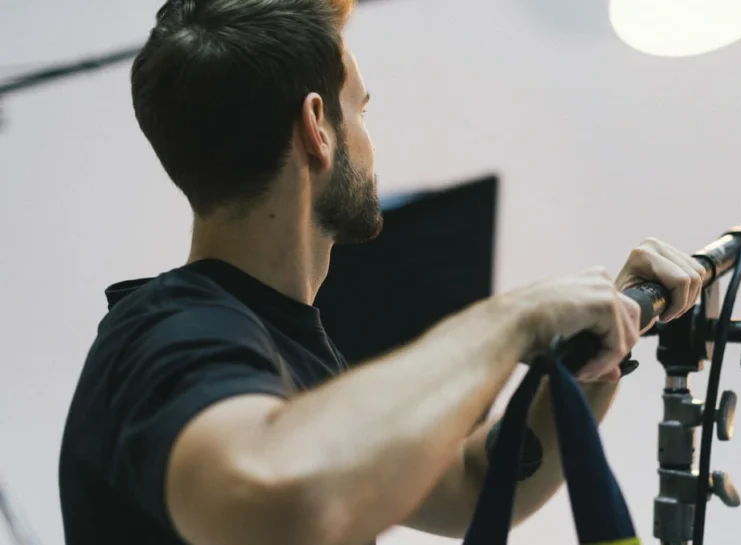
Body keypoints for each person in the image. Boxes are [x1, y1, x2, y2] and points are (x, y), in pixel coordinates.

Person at [57, 1, 708, 544]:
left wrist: (602, 345)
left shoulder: (287, 358)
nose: (370, 138)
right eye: (361, 108)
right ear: (319, 127)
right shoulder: (168, 332)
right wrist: (511, 318)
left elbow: (473, 482)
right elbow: (277, 496)